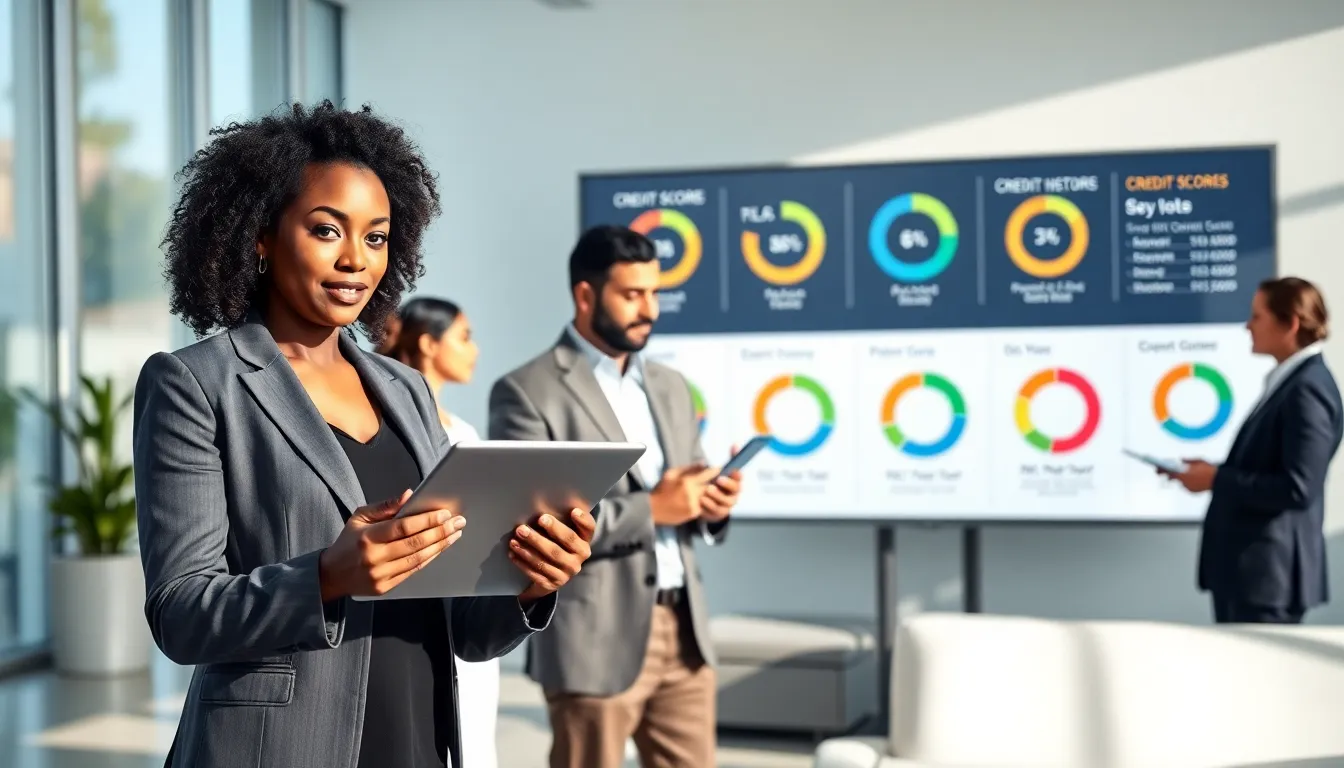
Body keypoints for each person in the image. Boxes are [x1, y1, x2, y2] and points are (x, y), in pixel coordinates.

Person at [135, 101, 595, 768]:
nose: (355, 260)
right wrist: (326, 575)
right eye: (327, 231)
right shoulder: (197, 384)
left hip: (416, 739)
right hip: (278, 751)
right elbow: (180, 613)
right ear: (260, 236)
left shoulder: (404, 389)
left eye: (376, 238)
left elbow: (462, 626)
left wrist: (529, 582)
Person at [487, 225, 743, 768]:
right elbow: (533, 527)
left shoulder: (670, 384)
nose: (648, 309)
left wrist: (711, 506)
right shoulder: (527, 390)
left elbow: (684, 494)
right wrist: (654, 509)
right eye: (632, 295)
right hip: (594, 633)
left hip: (685, 629)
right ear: (585, 295)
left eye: (654, 294)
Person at [1162, 276, 1343, 624]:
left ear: (1290, 323)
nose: (1247, 326)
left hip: (1268, 580)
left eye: (1257, 316)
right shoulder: (1291, 382)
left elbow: (1298, 488)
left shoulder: (1307, 390)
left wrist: (1216, 479)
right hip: (1252, 576)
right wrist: (1209, 473)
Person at [382, 296, 498, 768]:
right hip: (414, 619)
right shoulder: (385, 428)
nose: (475, 350)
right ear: (429, 344)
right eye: (464, 337)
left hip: (469, 611)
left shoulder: (466, 430)